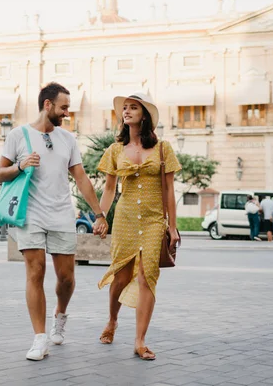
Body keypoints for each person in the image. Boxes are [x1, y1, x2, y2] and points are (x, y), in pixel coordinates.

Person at [0, 82, 108, 361]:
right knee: (35, 271)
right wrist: (20, 166)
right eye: (64, 107)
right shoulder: (18, 136)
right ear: (48, 105)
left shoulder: (68, 139)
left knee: (66, 278)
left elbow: (81, 178)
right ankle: (39, 337)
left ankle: (60, 314)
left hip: (61, 213)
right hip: (30, 214)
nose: (67, 113)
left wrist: (99, 213)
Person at [96, 92, 181, 361]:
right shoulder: (114, 150)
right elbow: (110, 189)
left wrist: (173, 226)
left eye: (133, 107)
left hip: (155, 218)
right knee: (121, 276)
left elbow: (169, 189)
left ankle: (140, 341)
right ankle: (112, 320)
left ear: (144, 114)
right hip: (126, 217)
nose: (127, 111)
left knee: (148, 276)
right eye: (124, 108)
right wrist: (101, 216)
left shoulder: (163, 148)